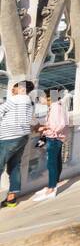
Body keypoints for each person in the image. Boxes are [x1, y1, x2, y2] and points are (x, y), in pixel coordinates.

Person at [0, 80, 35, 208]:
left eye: (14, 88)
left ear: (21, 88)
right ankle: (11, 198)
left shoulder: (15, 100)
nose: (12, 90)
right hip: (23, 137)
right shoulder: (31, 103)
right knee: (14, 166)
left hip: (8, 138)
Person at [34, 89, 68, 200]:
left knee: (51, 164)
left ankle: (52, 188)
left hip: (54, 138)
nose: (40, 100)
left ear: (49, 98)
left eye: (42, 97)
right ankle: (54, 182)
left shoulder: (55, 107)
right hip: (57, 137)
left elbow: (60, 124)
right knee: (56, 161)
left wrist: (45, 128)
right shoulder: (57, 106)